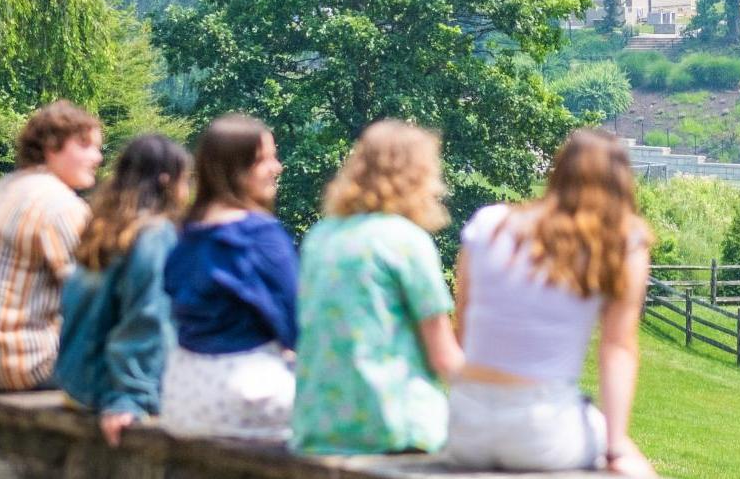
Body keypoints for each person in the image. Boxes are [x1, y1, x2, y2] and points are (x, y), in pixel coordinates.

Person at [446, 129, 655, 475]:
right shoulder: (622, 242)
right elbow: (617, 348)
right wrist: (615, 448)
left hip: (466, 427)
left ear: (557, 171)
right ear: (621, 183)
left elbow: (462, 329)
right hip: (543, 430)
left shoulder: (489, 223)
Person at [291, 121, 464, 455]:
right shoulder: (406, 241)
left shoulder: (320, 238)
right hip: (391, 426)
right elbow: (443, 355)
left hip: (317, 428)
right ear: (417, 176)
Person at [0, 100, 103, 390]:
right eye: (85, 145)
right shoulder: (60, 204)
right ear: (52, 146)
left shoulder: (4, 188)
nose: (97, 157)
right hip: (20, 365)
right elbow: (97, 296)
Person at [161, 114, 299, 440]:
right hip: (243, 397)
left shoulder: (184, 233)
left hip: (181, 396)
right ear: (236, 168)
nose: (276, 167)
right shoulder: (259, 233)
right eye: (265, 159)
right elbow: (298, 322)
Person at [54, 135, 190, 446]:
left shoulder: (103, 228)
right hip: (109, 391)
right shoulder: (155, 234)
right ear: (167, 181)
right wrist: (131, 398)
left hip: (77, 384)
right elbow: (146, 318)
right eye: (186, 179)